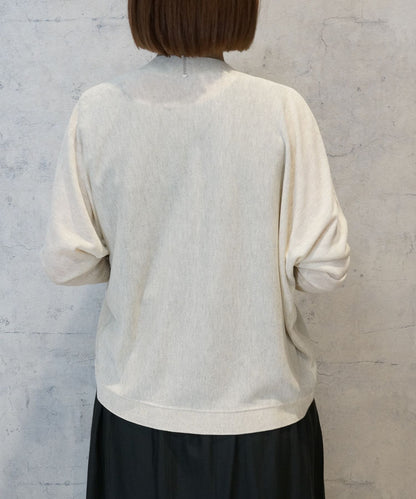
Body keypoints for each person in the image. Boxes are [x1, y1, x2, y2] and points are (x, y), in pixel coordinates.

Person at [39, 0, 351, 497]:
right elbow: (323, 269)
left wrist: (140, 257)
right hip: (262, 413)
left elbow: (68, 260)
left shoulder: (97, 109)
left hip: (138, 409)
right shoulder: (282, 109)